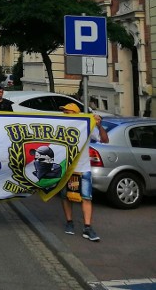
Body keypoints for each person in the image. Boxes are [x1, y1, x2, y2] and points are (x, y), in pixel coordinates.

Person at [60, 103, 108, 241]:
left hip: (83, 168)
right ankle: (69, 222)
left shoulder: (85, 125)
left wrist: (99, 125)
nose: (64, 114)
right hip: (67, 168)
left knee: (86, 198)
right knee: (65, 197)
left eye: (67, 112)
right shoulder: (61, 127)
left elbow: (104, 140)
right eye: (63, 112)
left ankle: (87, 227)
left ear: (75, 113)